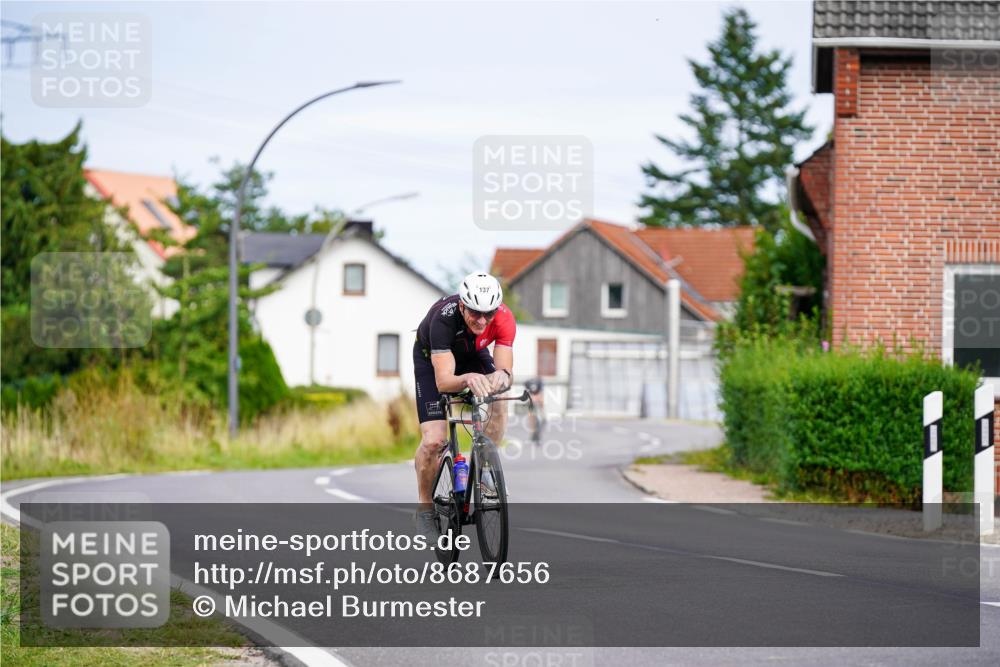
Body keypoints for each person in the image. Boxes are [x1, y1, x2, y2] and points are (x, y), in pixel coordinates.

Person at [411, 272, 516, 539]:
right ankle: (425, 508)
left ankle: (486, 469)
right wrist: (469, 379)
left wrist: (499, 379)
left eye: (488, 314)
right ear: (462, 306)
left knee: (499, 398)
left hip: (472, 353)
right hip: (432, 359)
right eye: (475, 313)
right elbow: (445, 382)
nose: (482, 321)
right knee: (434, 441)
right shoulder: (443, 319)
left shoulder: (504, 319)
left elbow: (505, 372)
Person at [524, 376, 544, 445]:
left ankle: (537, 437)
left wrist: (541, 407)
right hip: (531, 404)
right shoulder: (527, 384)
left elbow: (541, 396)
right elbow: (527, 395)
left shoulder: (540, 383)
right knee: (531, 419)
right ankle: (532, 434)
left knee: (541, 420)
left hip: (538, 403)